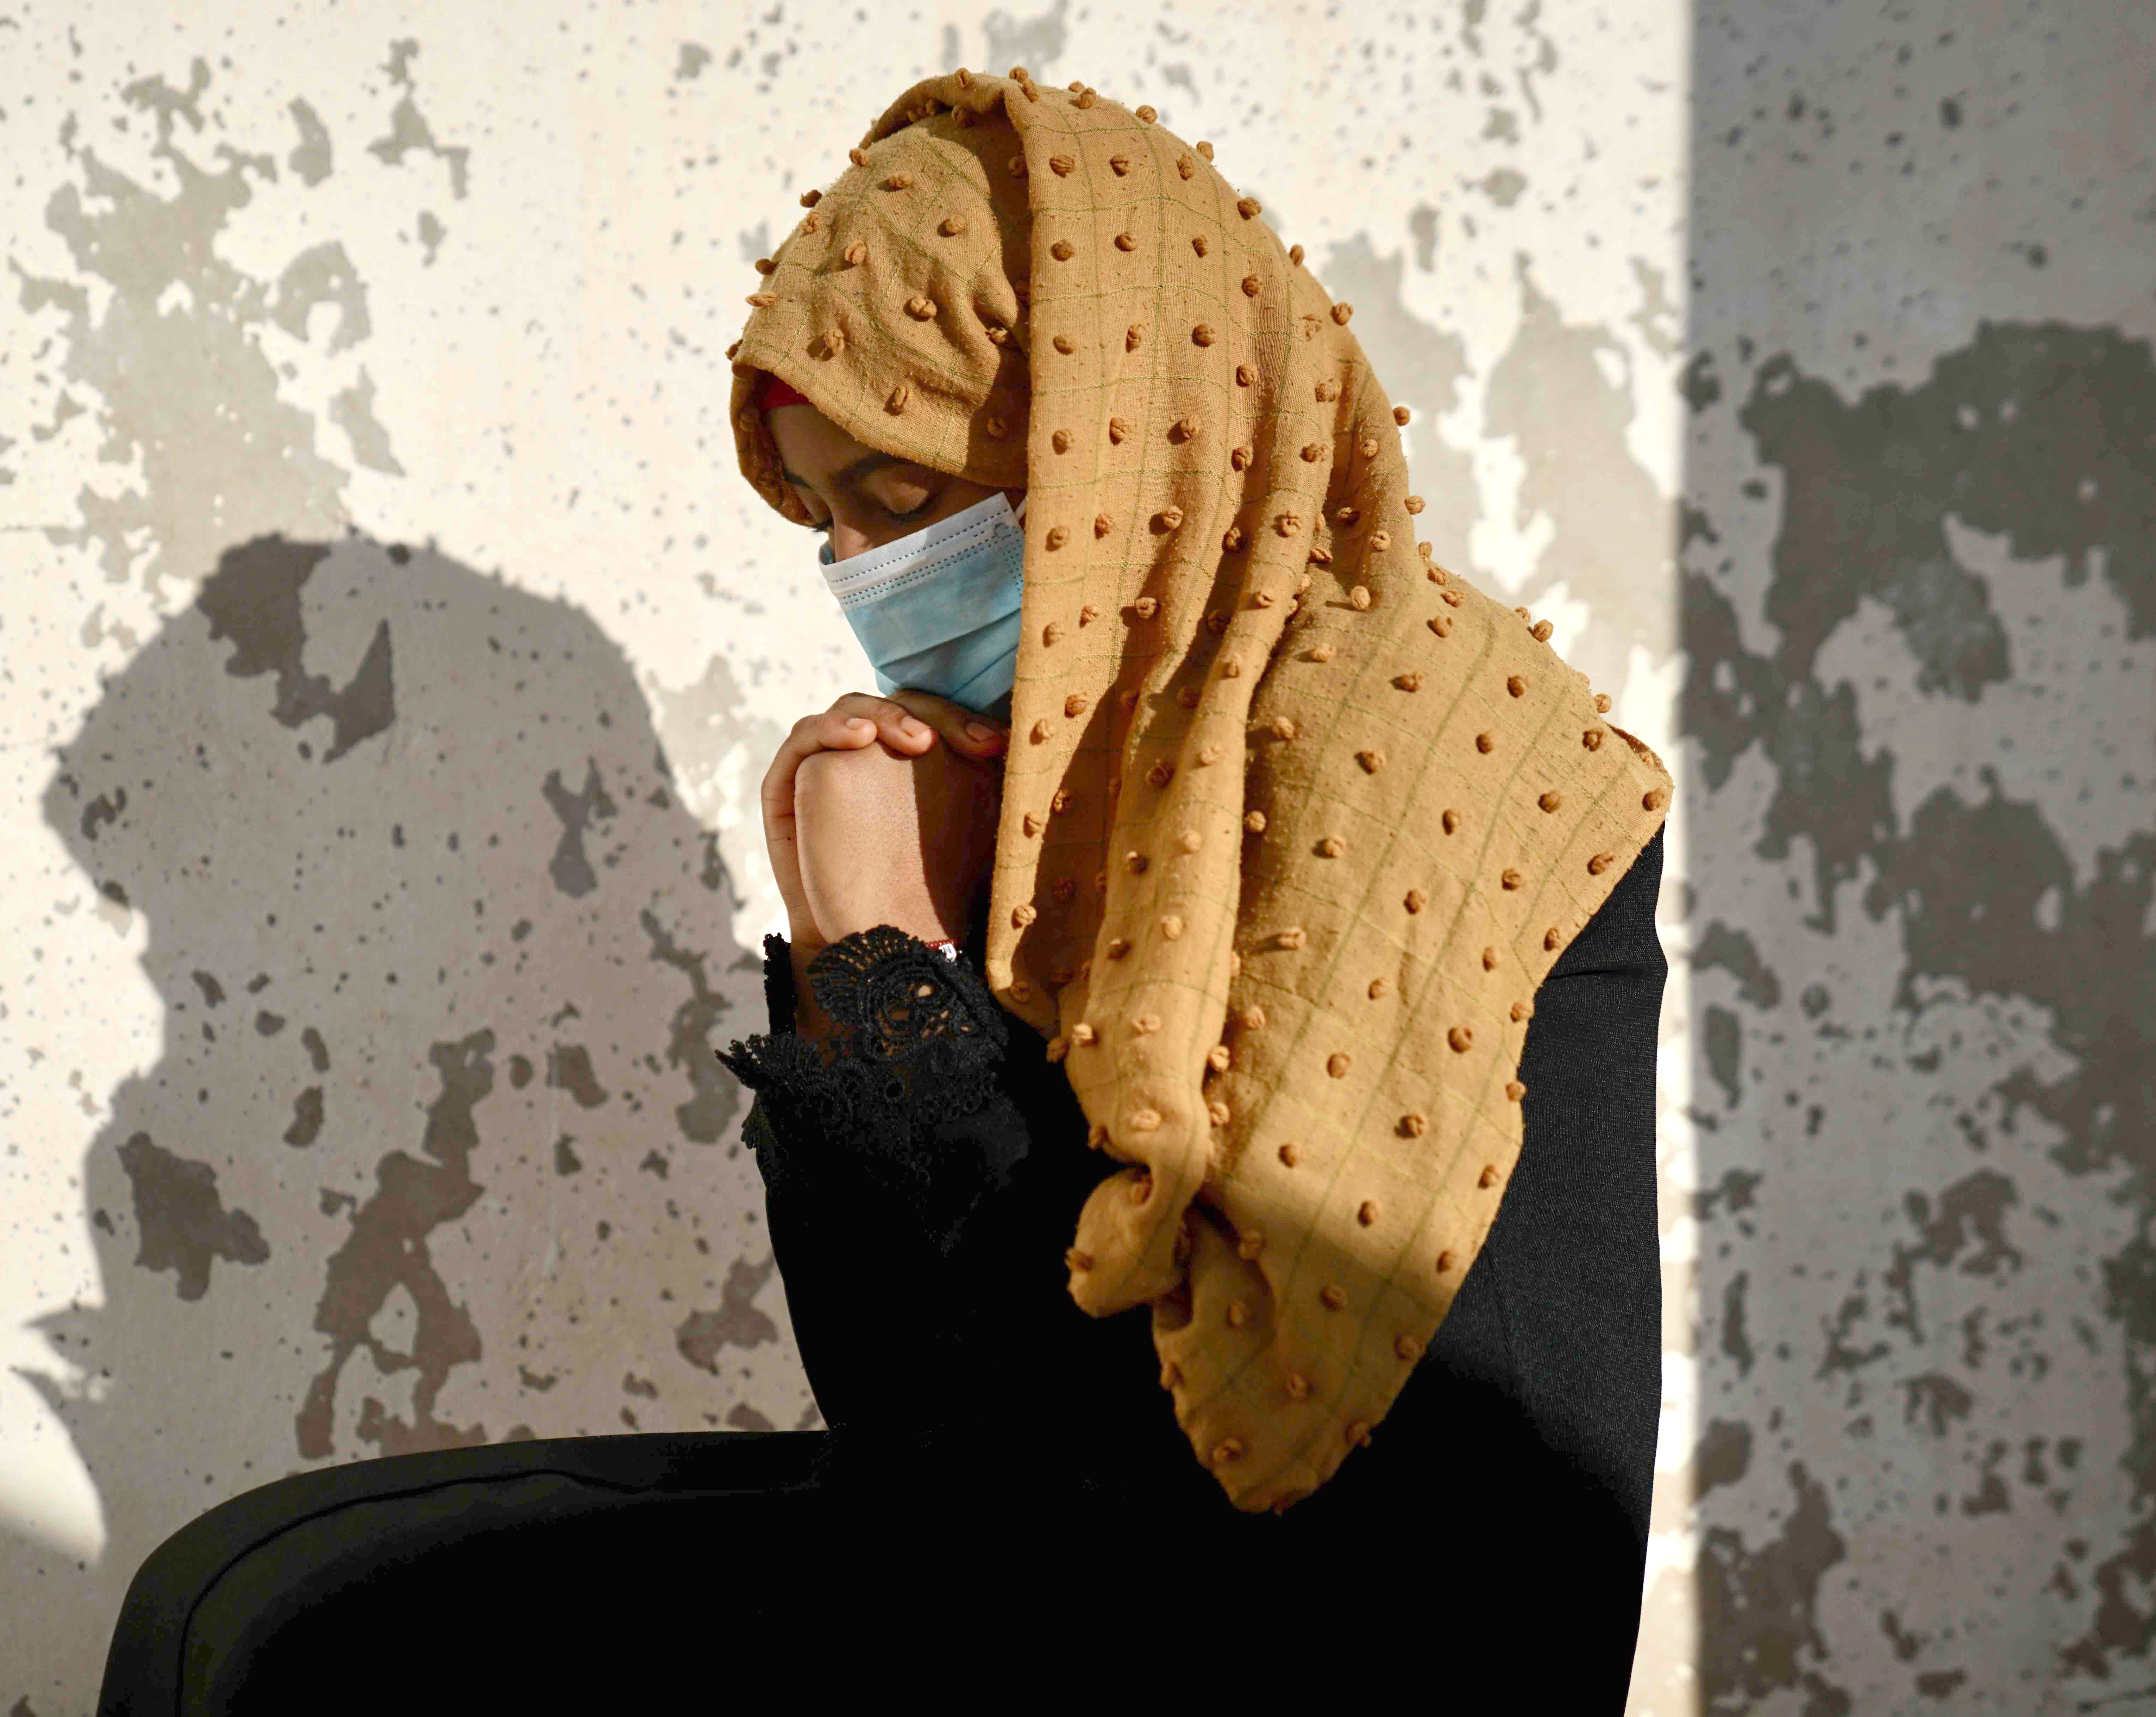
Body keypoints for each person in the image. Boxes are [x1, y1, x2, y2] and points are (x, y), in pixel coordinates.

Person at [712, 67, 1671, 1697]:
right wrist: (853, 958)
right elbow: (900, 1433)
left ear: (1131, 437)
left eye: (906, 498)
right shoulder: (1043, 816)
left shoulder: (1451, 802)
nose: (867, 580)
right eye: (820, 519)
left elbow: (1173, 1514)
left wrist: (891, 970)